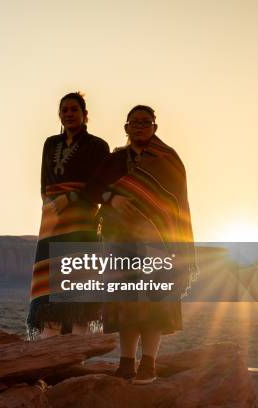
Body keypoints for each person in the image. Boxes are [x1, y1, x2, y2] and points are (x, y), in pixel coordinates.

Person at [86, 105, 197, 384]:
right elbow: (91, 189)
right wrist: (113, 198)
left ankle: (148, 364)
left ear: (155, 127)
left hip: (157, 238)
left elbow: (178, 203)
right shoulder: (114, 160)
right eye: (134, 122)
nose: (140, 126)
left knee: (153, 301)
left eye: (146, 122)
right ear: (126, 128)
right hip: (118, 237)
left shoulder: (168, 160)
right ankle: (126, 364)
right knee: (125, 302)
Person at [26, 92, 110, 339]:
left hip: (82, 220)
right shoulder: (50, 143)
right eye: (65, 110)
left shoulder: (97, 145)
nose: (69, 114)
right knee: (50, 283)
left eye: (74, 109)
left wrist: (71, 198)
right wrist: (49, 205)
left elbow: (101, 185)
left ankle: (77, 348)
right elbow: (44, 182)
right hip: (51, 218)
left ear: (85, 114)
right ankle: (48, 347)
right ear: (59, 115)